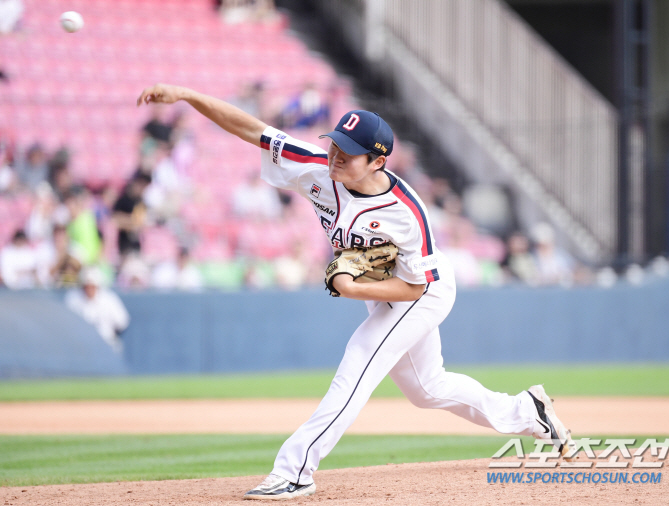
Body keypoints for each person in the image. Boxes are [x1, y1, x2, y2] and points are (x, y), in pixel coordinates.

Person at [137, 84, 575, 500]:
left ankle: (294, 472)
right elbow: (252, 129)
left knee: (360, 360)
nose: (336, 157)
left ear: (378, 162)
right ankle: (528, 411)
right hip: (382, 288)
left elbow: (415, 286)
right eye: (335, 145)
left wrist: (352, 287)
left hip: (421, 292)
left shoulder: (406, 213)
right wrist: (188, 95)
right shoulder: (314, 164)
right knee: (428, 389)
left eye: (350, 154)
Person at [65, 267, 130, 353]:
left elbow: (122, 322)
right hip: (81, 347)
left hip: (106, 345)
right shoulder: (73, 299)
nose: (89, 290)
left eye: (92, 286)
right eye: (86, 286)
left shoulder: (109, 299)